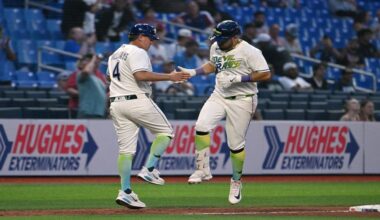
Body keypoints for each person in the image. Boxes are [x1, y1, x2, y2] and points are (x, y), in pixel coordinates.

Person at [178, 20, 271, 204]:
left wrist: (239, 78)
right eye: (218, 38)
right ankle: (202, 169)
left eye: (224, 39)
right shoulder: (216, 46)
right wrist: (193, 72)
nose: (219, 42)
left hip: (243, 99)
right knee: (201, 126)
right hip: (219, 95)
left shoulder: (250, 51)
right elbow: (213, 64)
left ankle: (236, 181)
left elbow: (265, 73)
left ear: (236, 38)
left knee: (235, 145)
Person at [108, 23, 190, 209]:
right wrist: (170, 77)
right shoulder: (137, 51)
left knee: (126, 151)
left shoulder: (114, 54)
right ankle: (150, 169)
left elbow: (109, 79)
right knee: (166, 131)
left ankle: (125, 191)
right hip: (136, 100)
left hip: (117, 102)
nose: (152, 42)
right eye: (150, 38)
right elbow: (141, 75)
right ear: (140, 37)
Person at [77, 54, 107, 118]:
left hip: (100, 113)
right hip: (88, 112)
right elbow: (86, 71)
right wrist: (93, 59)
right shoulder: (80, 74)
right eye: (88, 60)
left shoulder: (99, 79)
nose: (92, 62)